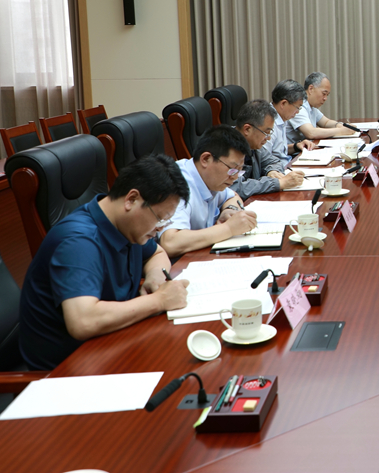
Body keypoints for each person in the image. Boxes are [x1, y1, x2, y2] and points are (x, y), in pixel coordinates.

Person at [18, 155, 192, 371]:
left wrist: (156, 276)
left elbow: (157, 253)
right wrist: (159, 300)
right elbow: (83, 321)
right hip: (67, 370)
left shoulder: (127, 225)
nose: (160, 228)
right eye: (160, 218)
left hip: (112, 344)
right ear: (131, 199)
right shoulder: (78, 241)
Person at [159, 125, 258, 257]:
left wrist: (229, 210)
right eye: (232, 169)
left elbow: (232, 196)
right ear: (206, 159)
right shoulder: (177, 183)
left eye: (239, 171)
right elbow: (170, 242)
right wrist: (228, 228)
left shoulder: (211, 179)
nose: (235, 177)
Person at [232, 99, 305, 200]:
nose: (269, 138)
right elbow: (235, 187)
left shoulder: (253, 145)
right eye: (266, 133)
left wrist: (272, 171)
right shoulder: (225, 149)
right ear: (247, 129)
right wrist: (278, 183)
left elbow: (273, 161)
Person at [263, 79, 319, 166]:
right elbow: (264, 161)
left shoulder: (281, 118)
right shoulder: (268, 124)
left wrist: (296, 146)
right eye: (297, 107)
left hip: (286, 164)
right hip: (279, 170)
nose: (297, 112)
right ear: (283, 104)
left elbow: (279, 151)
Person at [288, 72, 353, 142]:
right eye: (324, 94)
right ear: (311, 89)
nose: (325, 98)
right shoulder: (298, 107)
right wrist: (341, 131)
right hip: (294, 149)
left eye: (327, 95)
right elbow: (311, 133)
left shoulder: (311, 106)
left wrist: (339, 125)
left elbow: (326, 122)